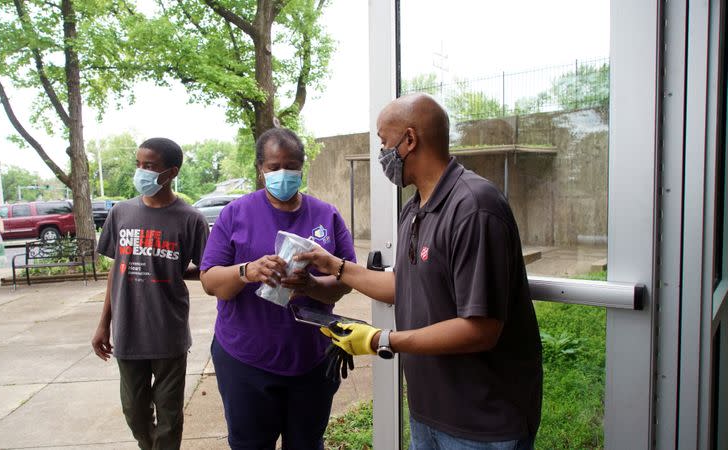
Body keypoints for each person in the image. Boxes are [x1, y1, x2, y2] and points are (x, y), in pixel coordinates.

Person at [297, 94, 543, 450]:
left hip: (483, 424)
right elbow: (403, 285)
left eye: (384, 142)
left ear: (409, 140)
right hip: (429, 412)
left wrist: (382, 339)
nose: (382, 153)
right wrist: (333, 265)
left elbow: (481, 329)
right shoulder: (415, 208)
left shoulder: (474, 208)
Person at [198, 127, 357, 450]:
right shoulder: (235, 214)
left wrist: (310, 285)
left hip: (311, 359)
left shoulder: (326, 215)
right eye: (273, 167)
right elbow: (210, 281)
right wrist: (247, 271)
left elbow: (345, 281)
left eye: (292, 165)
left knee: (307, 443)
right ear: (260, 168)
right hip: (245, 360)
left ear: (302, 166)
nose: (283, 173)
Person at [91, 137, 210, 450]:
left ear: (170, 172)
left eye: (150, 166)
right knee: (134, 411)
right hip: (128, 330)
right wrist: (104, 323)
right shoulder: (121, 213)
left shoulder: (191, 219)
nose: (141, 172)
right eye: (139, 165)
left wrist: (176, 271)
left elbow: (211, 269)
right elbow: (115, 271)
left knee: (169, 414)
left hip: (168, 331)